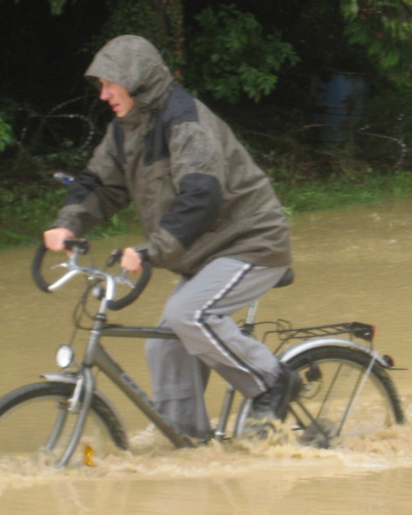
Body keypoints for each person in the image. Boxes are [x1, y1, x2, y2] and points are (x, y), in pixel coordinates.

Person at [43, 34, 299, 438]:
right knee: (163, 344)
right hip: (205, 252)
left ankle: (272, 381)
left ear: (137, 80)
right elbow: (100, 184)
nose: (103, 95)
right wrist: (68, 224)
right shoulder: (125, 130)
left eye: (110, 84)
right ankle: (186, 441)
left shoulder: (185, 122)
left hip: (250, 242)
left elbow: (201, 196)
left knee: (188, 314)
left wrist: (150, 251)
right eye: (101, 86)